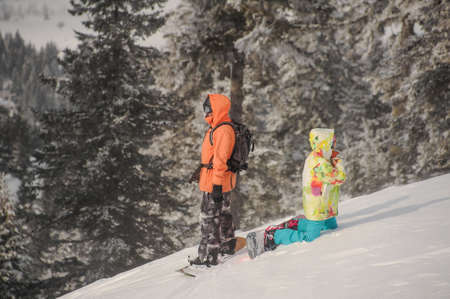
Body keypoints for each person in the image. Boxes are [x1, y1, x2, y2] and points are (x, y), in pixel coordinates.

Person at [247, 128, 346, 258]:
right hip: (317, 207)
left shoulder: (324, 158)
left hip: (325, 206)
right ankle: (274, 236)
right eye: (331, 141)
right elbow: (338, 178)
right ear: (323, 143)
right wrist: (339, 163)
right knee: (310, 238)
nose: (334, 143)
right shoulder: (318, 162)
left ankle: (296, 224)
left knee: (331, 229)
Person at [190, 94, 237, 266]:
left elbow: (220, 160)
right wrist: (200, 170)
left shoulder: (223, 130)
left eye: (208, 109)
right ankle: (227, 245)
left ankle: (208, 255)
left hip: (215, 183)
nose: (206, 112)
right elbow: (211, 158)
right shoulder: (217, 128)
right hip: (215, 180)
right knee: (222, 214)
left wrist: (216, 185)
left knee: (209, 219)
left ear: (216, 109)